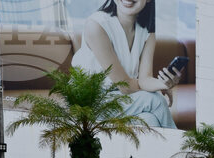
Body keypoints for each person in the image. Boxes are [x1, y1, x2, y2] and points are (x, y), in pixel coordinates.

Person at [72, 0, 180, 129]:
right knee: (156, 100)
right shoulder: (96, 25)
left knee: (150, 120)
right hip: (90, 103)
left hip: (122, 100)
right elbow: (125, 86)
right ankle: (184, 143)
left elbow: (145, 79)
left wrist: (163, 83)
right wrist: (155, 89)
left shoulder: (147, 32)